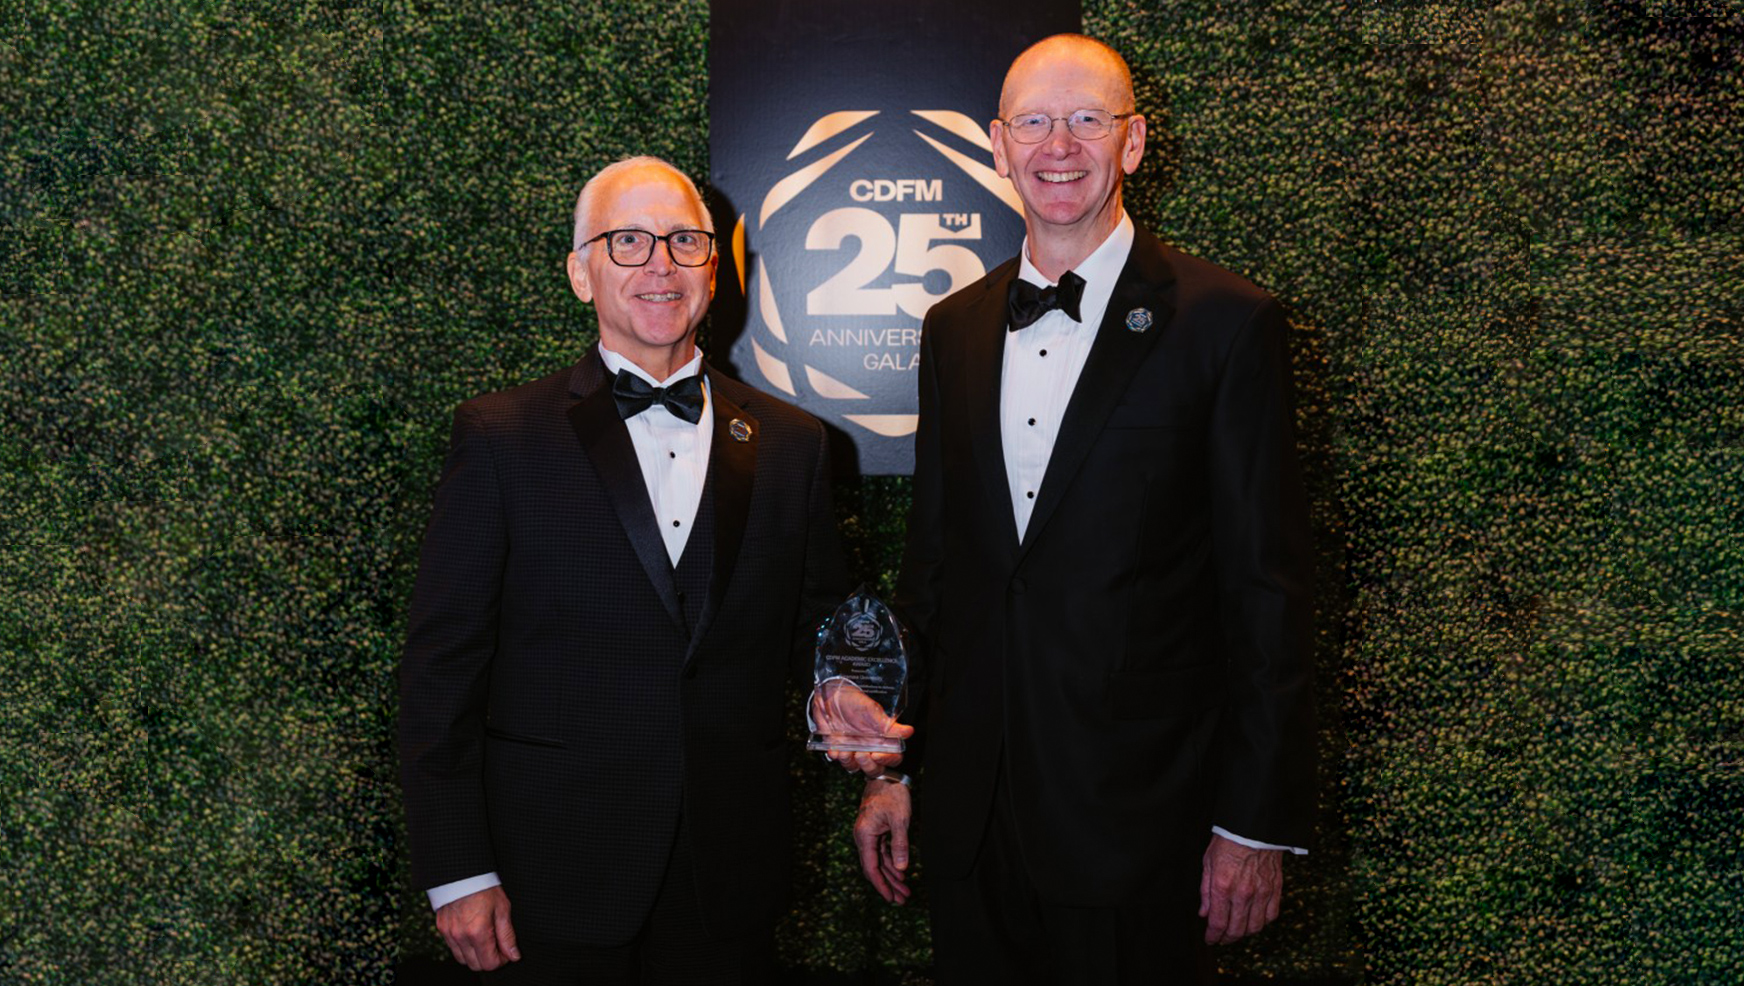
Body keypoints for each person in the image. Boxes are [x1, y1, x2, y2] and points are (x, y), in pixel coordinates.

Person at [851, 35, 1317, 984]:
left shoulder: (1229, 323)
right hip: (975, 823)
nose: (1057, 145)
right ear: (996, 144)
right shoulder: (954, 329)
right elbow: (934, 571)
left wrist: (1253, 823)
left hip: (1142, 825)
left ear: (1133, 141)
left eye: (1086, 120)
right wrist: (899, 768)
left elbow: (1266, 591)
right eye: (1033, 121)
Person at [399, 156, 893, 984]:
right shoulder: (498, 436)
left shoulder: (794, 444)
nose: (659, 264)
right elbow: (442, 668)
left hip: (729, 880)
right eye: (626, 241)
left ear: (715, 268)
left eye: (684, 241)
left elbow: (823, 634)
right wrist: (458, 870)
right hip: (547, 882)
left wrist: (838, 699)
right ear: (579, 273)